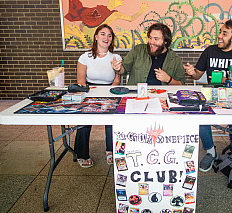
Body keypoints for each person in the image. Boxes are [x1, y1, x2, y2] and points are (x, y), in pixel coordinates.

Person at [184, 20, 232, 172]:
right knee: (198, 114)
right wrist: (193, 73)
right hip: (211, 97)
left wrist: (230, 80)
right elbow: (198, 75)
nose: (219, 36)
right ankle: (211, 151)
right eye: (220, 32)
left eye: (224, 33)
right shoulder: (209, 51)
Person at [75, 24, 122, 168]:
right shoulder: (85, 57)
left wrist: (109, 95)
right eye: (103, 34)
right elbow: (81, 82)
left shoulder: (115, 57)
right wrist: (91, 97)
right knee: (84, 119)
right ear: (96, 37)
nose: (106, 38)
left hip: (110, 91)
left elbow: (117, 81)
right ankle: (82, 154)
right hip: (90, 91)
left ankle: (111, 151)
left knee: (111, 119)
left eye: (109, 35)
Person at [111, 23, 185, 86]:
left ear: (165, 41)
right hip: (137, 96)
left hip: (162, 96)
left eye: (156, 39)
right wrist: (118, 68)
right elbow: (124, 69)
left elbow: (181, 84)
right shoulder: (138, 50)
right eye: (150, 38)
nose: (151, 42)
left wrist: (168, 79)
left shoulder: (174, 59)